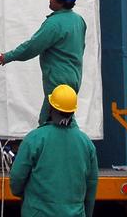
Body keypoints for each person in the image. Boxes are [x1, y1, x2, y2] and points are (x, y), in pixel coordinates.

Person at [0, 0, 86, 126]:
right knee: (66, 118)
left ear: (61, 2)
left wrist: (8, 56)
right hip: (74, 77)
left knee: (49, 120)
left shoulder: (54, 24)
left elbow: (32, 47)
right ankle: (75, 144)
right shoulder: (79, 21)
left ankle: (50, 146)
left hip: (57, 80)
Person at [10, 84, 98, 217]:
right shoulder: (86, 144)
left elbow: (16, 179)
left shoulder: (34, 139)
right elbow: (91, 186)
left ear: (51, 107)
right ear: (73, 110)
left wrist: (28, 197)